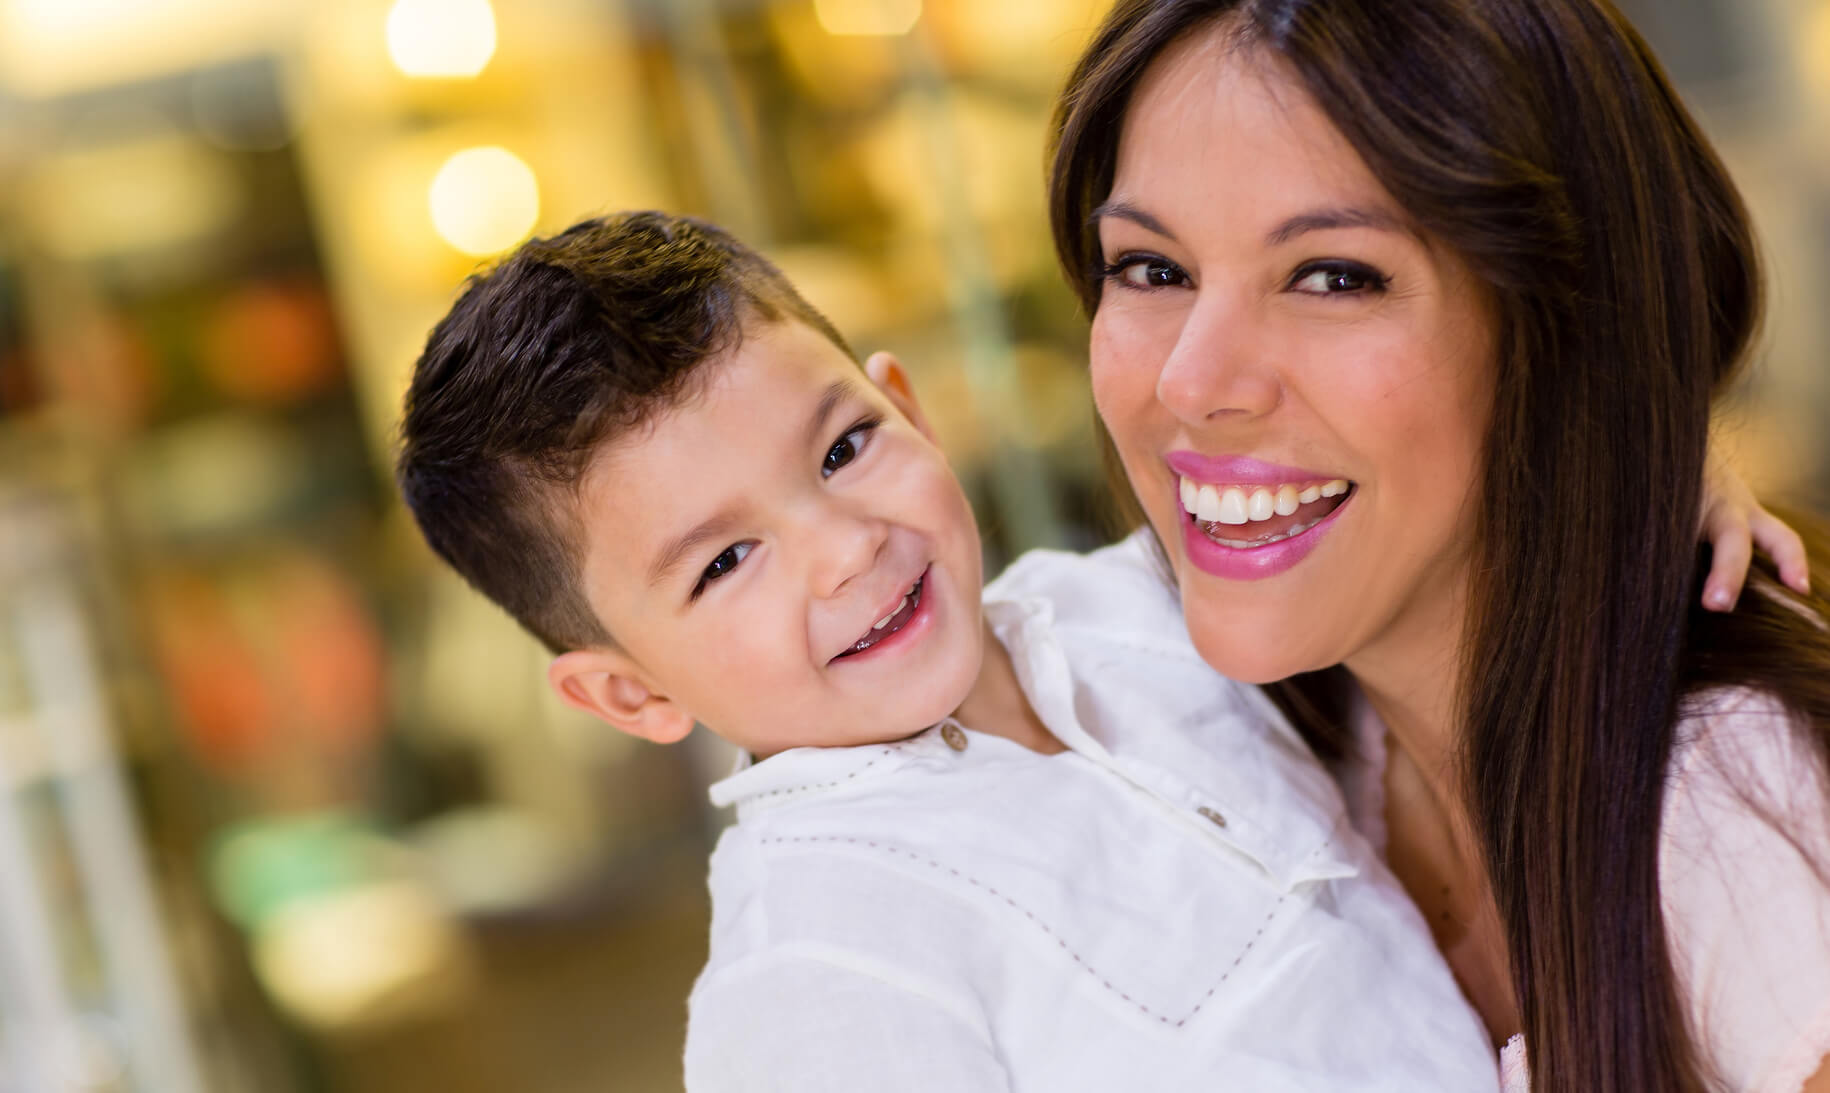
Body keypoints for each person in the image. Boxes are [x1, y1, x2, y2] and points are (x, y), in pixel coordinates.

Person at [393, 211, 1501, 1091]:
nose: (843, 549)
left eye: (843, 446)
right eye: (725, 562)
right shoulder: (813, 966)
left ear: (910, 407)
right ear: (628, 692)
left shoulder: (1140, 601)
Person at [1046, 1, 1830, 1090]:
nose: (1190, 381)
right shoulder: (1243, 723)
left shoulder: (1744, 817)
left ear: (1561, 322)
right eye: (1151, 268)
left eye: (1333, 276)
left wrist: (1634, 434)